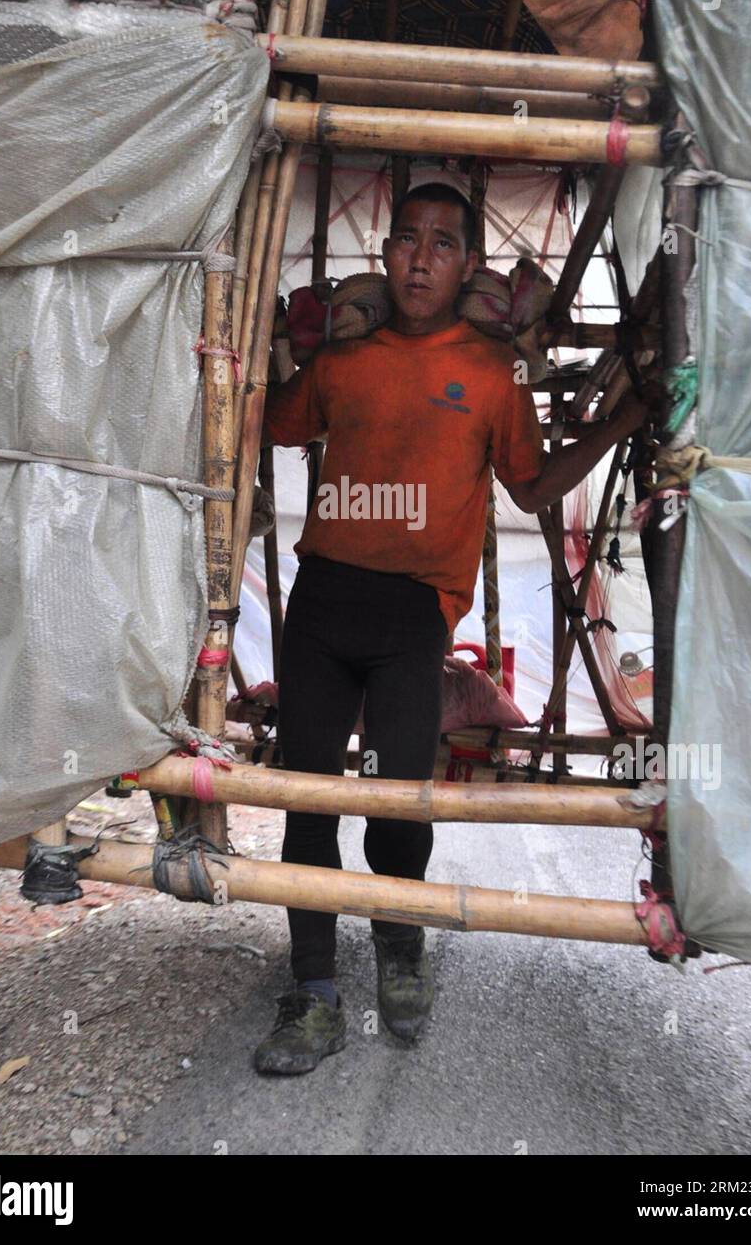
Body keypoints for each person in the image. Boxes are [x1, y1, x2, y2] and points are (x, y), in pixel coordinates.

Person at [253, 182, 646, 1075]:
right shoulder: (343, 364)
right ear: (385, 256)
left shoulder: (495, 374)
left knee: (402, 797)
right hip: (321, 601)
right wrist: (282, 346)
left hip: (414, 616)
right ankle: (311, 991)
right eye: (406, 240)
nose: (421, 257)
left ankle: (400, 950)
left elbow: (535, 490)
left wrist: (622, 420)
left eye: (442, 243)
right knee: (308, 794)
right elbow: (272, 424)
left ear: (467, 264)